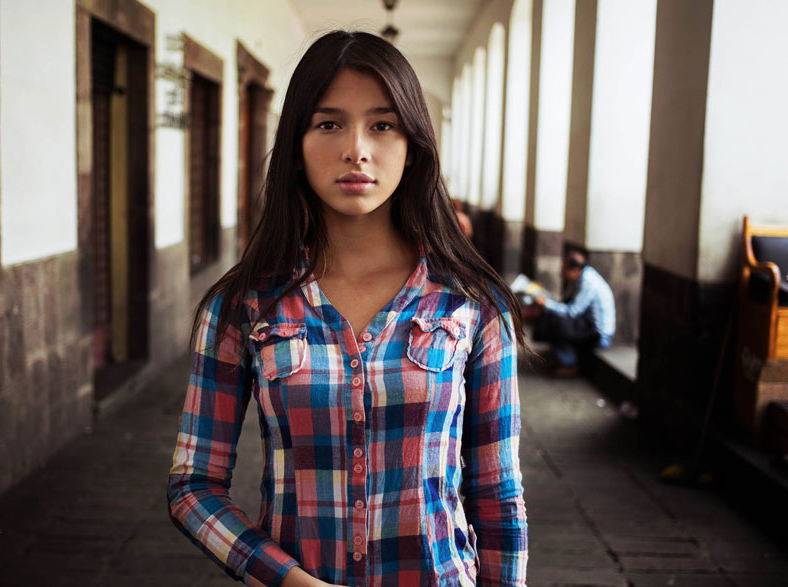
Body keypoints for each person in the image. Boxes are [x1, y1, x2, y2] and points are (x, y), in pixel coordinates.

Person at [167, 30, 528, 587]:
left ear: (412, 147)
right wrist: (286, 578)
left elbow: (498, 494)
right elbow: (193, 487)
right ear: (297, 144)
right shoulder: (243, 306)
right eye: (329, 123)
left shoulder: (472, 304)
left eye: (382, 125)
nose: (356, 149)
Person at [532, 246, 616, 377]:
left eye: (564, 270)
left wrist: (546, 303)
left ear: (575, 270)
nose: (561, 273)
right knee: (551, 316)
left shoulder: (588, 283)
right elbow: (564, 303)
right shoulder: (580, 277)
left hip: (599, 334)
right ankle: (565, 359)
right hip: (587, 325)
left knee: (555, 324)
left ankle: (570, 364)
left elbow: (572, 312)